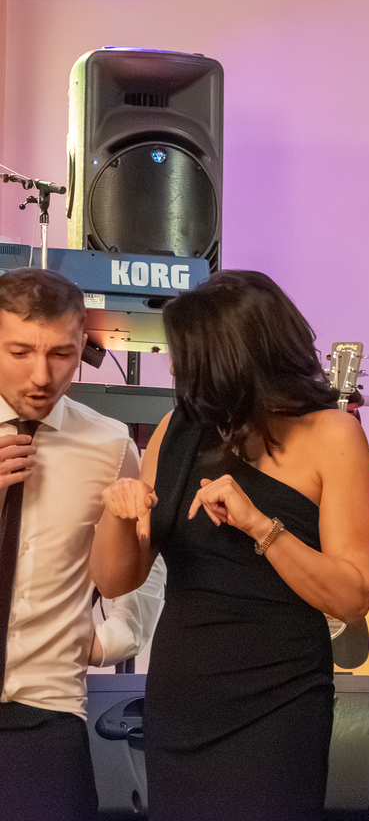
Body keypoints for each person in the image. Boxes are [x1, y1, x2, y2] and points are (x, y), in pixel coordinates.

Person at [92, 270, 369, 821]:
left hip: (279, 700)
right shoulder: (177, 428)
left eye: (187, 355)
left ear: (232, 357)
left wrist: (260, 527)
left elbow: (352, 597)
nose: (174, 369)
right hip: (183, 696)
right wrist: (117, 514)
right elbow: (113, 580)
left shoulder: (333, 435)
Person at [0, 269, 141, 821]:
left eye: (61, 353)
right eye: (19, 352)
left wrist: (118, 634)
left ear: (83, 345)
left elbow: (144, 560)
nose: (41, 375)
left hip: (47, 708)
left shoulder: (109, 444)